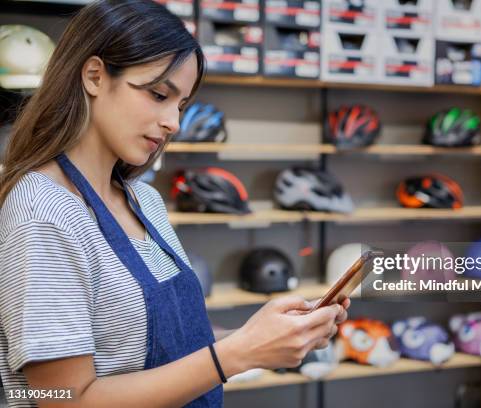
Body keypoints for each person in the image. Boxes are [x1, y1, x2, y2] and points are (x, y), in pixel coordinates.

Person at [0, 1, 349, 407]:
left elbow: (152, 346)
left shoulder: (143, 200)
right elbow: (62, 399)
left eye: (180, 104)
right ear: (94, 76)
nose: (174, 123)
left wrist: (262, 336)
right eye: (158, 94)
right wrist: (236, 355)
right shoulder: (44, 212)